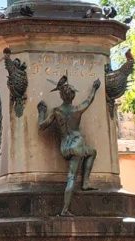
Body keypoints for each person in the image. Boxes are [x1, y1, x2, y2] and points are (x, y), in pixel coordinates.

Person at [36, 75, 101, 215]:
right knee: (71, 177)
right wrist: (94, 88)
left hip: (65, 147)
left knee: (92, 152)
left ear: (61, 96)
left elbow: (41, 126)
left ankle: (85, 183)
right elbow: (89, 100)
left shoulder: (56, 111)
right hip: (77, 145)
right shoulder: (77, 109)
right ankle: (65, 209)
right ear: (73, 96)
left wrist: (41, 111)